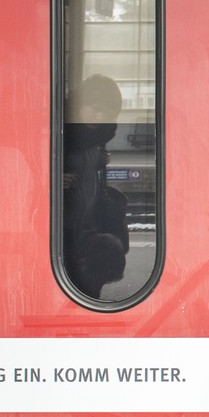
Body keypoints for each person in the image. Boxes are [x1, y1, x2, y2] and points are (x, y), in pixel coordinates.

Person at [62, 73, 130, 299]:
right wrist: (54, 179)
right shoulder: (61, 134)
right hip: (64, 223)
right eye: (92, 106)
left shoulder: (96, 136)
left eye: (104, 110)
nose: (97, 114)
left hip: (86, 217)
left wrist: (98, 162)